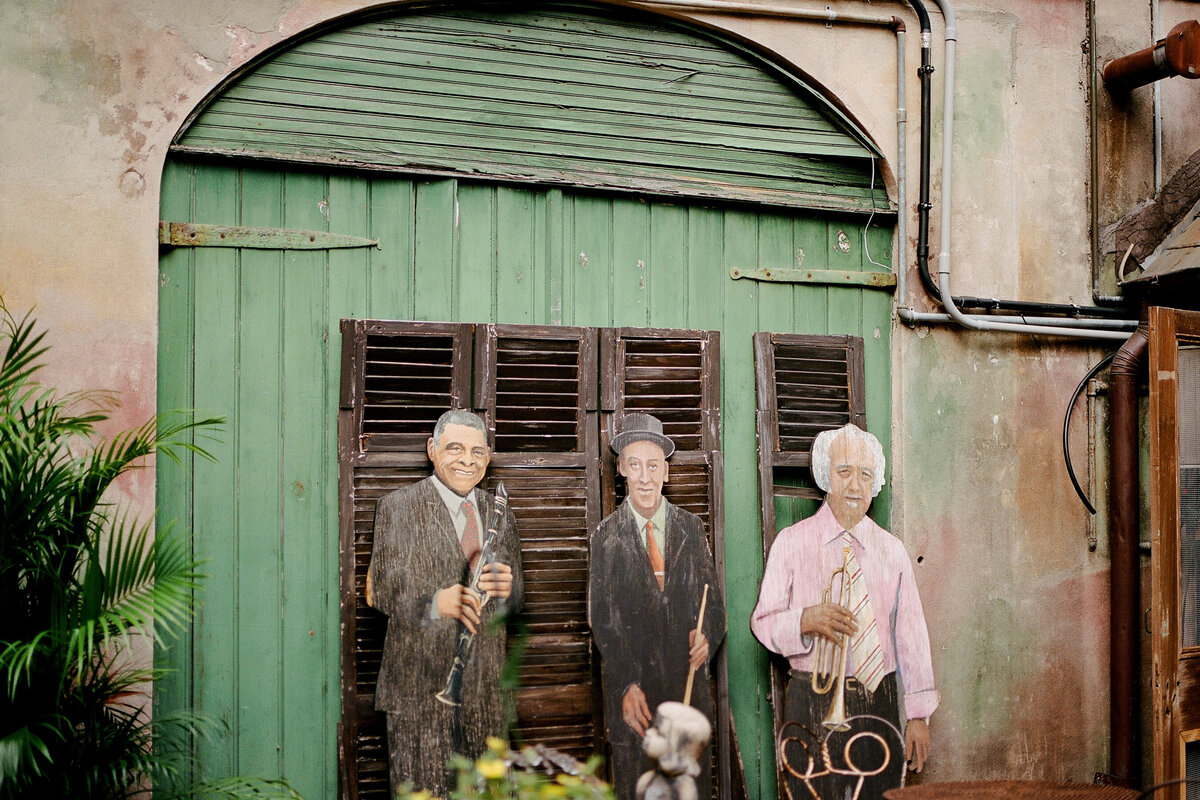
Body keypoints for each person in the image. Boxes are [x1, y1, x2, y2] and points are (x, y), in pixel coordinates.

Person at [751, 423, 936, 800]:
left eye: (865, 475)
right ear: (824, 475)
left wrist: (918, 715)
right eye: (844, 471)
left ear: (876, 482)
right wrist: (803, 619)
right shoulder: (791, 542)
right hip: (813, 701)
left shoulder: (893, 551)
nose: (854, 486)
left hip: (879, 701)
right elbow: (763, 621)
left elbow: (911, 636)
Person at [366, 409, 524, 796]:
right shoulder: (397, 507)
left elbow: (516, 603)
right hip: (418, 696)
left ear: (488, 457)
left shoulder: (501, 513)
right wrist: (437, 602)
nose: (468, 460)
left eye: (477, 451)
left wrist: (508, 590)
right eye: (455, 448)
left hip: (486, 693)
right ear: (432, 450)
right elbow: (381, 591)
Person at [589, 413, 726, 800]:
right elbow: (602, 623)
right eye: (635, 465)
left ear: (665, 472)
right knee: (637, 786)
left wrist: (707, 636)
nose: (645, 477)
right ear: (622, 470)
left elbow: (712, 606)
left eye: (653, 466)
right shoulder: (604, 538)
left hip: (687, 694)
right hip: (637, 701)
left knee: (690, 790)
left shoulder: (692, 528)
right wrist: (625, 685)